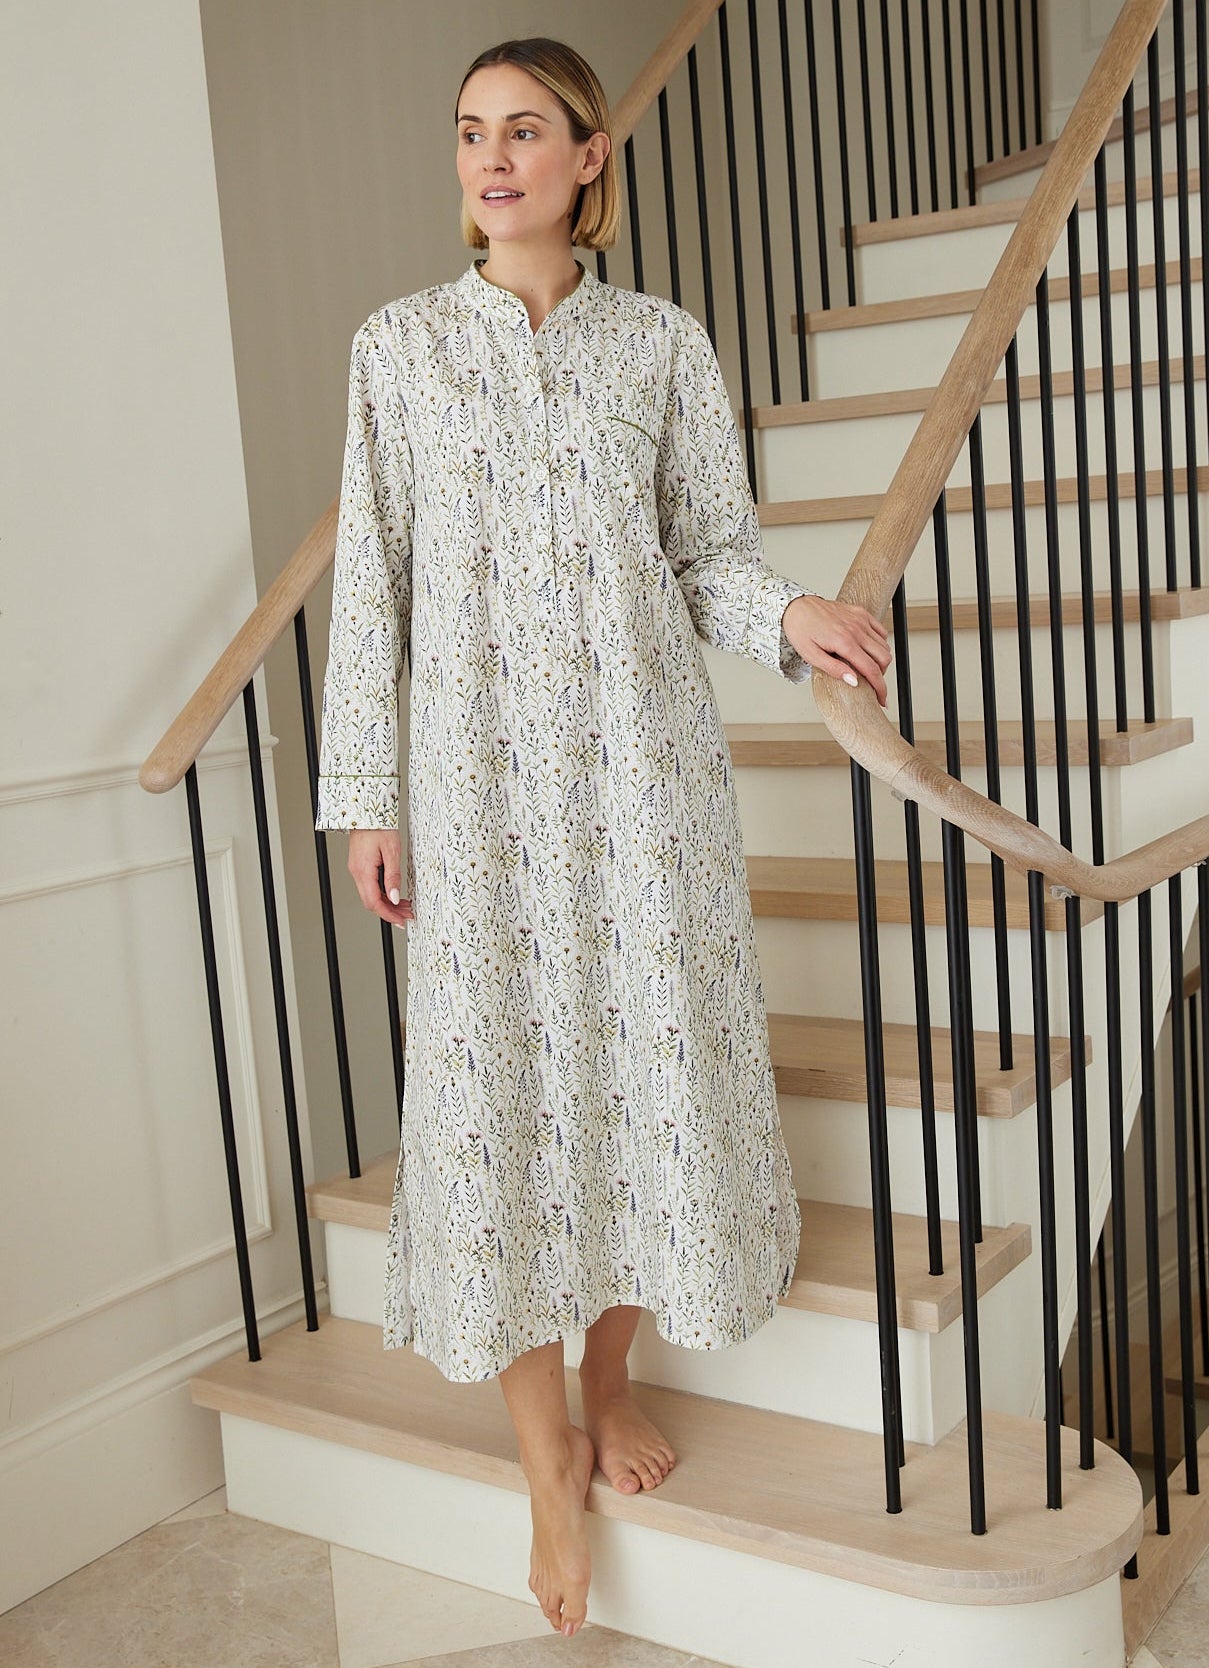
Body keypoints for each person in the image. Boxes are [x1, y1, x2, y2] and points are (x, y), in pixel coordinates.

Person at [315, 35, 892, 1641]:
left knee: (649, 1065)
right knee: (495, 1089)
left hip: (646, 781)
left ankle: (611, 1375)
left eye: (524, 131)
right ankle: (541, 1457)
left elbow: (706, 553)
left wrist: (788, 612)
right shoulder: (396, 348)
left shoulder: (661, 345)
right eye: (469, 133)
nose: (491, 158)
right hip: (476, 788)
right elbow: (371, 589)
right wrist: (365, 795)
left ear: (588, 158)